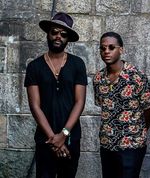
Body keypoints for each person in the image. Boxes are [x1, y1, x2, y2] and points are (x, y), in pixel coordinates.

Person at [24, 12, 87, 178]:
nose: (58, 36)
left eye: (63, 34)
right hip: (45, 139)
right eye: (54, 32)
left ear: (68, 39)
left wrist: (64, 134)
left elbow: (79, 102)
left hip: (71, 138)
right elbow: (34, 106)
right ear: (48, 33)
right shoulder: (34, 66)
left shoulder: (77, 64)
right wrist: (54, 139)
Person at [93, 32, 150, 178]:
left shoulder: (136, 77)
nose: (106, 51)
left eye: (111, 47)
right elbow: (103, 106)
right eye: (103, 48)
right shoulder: (98, 79)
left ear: (121, 50)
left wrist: (136, 131)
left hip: (131, 145)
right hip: (107, 144)